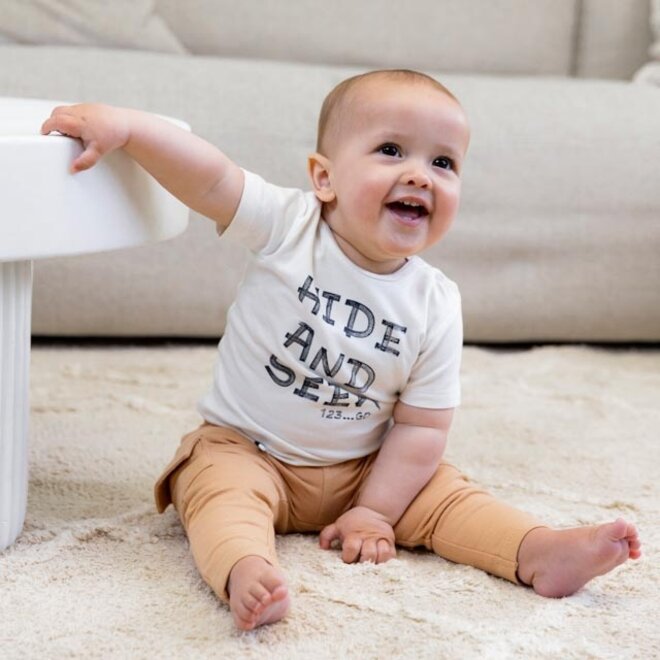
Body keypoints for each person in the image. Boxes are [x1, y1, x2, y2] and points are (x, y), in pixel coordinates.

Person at [42, 69, 642, 632]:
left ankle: (537, 551)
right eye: (391, 151)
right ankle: (245, 569)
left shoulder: (435, 301)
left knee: (445, 494)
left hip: (366, 467)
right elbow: (212, 178)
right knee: (215, 489)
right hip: (250, 450)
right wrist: (132, 128)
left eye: (443, 162)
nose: (420, 175)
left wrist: (377, 511)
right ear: (324, 178)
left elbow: (421, 427)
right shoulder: (289, 225)